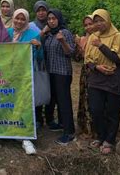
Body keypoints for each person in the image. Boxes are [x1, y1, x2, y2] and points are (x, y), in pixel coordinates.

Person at [85, 9, 120, 154]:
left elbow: (118, 60)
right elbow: (87, 61)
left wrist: (101, 46)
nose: (99, 24)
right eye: (96, 21)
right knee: (96, 110)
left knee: (112, 111)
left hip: (113, 79)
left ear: (108, 20)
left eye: (101, 20)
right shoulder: (93, 37)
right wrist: (97, 67)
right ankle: (101, 136)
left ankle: (110, 140)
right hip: (96, 78)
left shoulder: (118, 37)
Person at [7, 9, 42, 155]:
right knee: (9, 102)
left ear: (26, 20)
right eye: (17, 18)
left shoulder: (33, 34)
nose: (19, 21)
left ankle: (26, 138)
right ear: (13, 18)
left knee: (24, 103)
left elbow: (39, 58)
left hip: (25, 75)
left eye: (23, 19)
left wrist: (38, 47)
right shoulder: (7, 33)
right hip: (7, 75)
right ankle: (10, 130)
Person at [42, 9, 76, 145]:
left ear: (59, 19)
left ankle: (69, 132)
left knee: (64, 101)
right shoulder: (50, 34)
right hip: (51, 72)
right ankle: (62, 124)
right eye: (49, 19)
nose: (51, 21)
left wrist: (62, 41)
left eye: (54, 18)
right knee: (55, 99)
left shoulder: (65, 33)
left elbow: (70, 53)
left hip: (62, 73)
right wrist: (44, 32)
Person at [75, 15, 95, 137]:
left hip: (96, 72)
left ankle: (95, 128)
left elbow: (89, 57)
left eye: (90, 24)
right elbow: (78, 58)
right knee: (84, 98)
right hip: (85, 72)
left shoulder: (100, 38)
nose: (88, 27)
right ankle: (84, 127)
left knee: (94, 99)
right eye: (86, 25)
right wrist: (78, 45)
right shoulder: (83, 38)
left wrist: (82, 48)